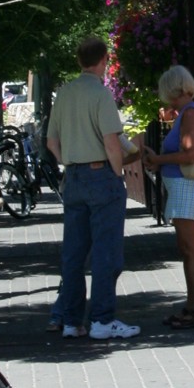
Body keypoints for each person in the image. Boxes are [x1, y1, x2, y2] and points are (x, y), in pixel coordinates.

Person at [44, 36, 142, 341]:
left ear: (78, 60)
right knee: (106, 253)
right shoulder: (101, 94)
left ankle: (72, 320)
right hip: (101, 175)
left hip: (72, 176)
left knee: (73, 253)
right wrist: (116, 173)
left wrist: (67, 162)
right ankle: (102, 319)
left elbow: (51, 141)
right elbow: (112, 142)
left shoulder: (64, 94)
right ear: (103, 60)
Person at [141, 65, 194, 330]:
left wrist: (159, 159)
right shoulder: (186, 112)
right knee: (188, 248)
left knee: (190, 248)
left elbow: (190, 154)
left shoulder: (190, 113)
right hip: (183, 184)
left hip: (186, 184)